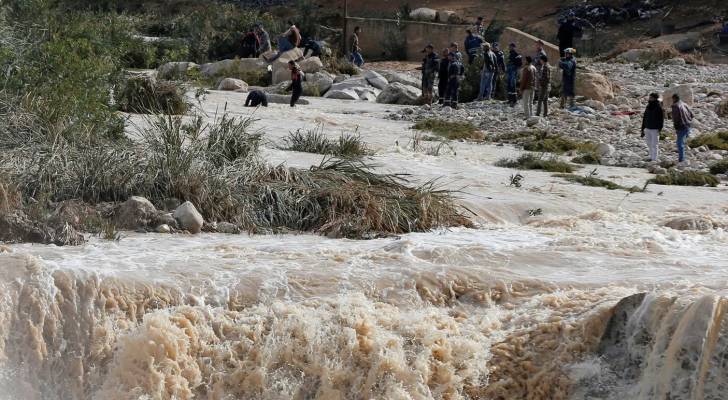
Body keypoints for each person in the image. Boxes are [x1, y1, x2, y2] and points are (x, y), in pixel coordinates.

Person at [671, 93, 694, 164]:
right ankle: (685, 156)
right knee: (683, 141)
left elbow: (676, 118)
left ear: (674, 98)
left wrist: (676, 126)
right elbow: (692, 115)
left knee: (679, 143)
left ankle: (681, 159)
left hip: (681, 126)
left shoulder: (675, 106)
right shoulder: (685, 104)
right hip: (688, 125)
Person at [640, 93, 664, 161]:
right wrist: (642, 129)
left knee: (654, 144)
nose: (649, 99)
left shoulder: (659, 107)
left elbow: (661, 119)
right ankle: (651, 156)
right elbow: (645, 117)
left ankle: (654, 159)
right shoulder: (648, 106)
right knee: (649, 143)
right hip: (647, 127)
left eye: (651, 98)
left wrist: (660, 128)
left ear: (654, 98)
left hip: (655, 129)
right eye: (649, 97)